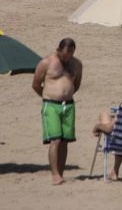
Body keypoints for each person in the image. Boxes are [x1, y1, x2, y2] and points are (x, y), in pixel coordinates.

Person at [32, 37, 82, 185]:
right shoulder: (46, 63)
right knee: (55, 140)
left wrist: (66, 94)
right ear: (58, 50)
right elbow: (36, 84)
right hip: (51, 105)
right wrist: (49, 97)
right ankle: (54, 174)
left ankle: (61, 173)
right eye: (64, 55)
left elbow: (77, 84)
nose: (67, 58)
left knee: (65, 141)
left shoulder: (77, 64)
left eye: (70, 55)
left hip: (69, 105)